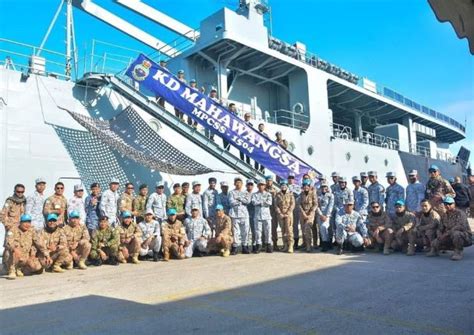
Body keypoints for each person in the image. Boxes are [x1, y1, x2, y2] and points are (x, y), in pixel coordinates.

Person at [4, 214, 51, 280]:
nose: (27, 224)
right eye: (25, 222)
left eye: (29, 222)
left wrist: (47, 255)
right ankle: (12, 270)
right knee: (11, 250)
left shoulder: (32, 230)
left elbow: (40, 244)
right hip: (13, 256)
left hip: (25, 257)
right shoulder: (12, 230)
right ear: (20, 222)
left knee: (36, 266)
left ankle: (21, 269)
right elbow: (8, 243)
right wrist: (14, 249)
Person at [428, 196, 472, 260]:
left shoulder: (460, 213)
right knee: (435, 242)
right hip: (448, 235)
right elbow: (440, 228)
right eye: (446, 204)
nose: (447, 206)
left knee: (456, 234)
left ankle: (458, 251)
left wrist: (445, 235)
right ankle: (435, 251)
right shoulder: (444, 215)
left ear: (454, 204)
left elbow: (459, 227)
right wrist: (439, 235)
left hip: (464, 236)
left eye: (450, 204)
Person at [229, 177, 251, 255]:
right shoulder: (231, 192)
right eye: (236, 182)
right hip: (235, 215)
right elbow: (231, 202)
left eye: (240, 183)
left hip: (244, 214)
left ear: (242, 184)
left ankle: (244, 246)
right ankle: (235, 247)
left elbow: (247, 201)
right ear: (234, 184)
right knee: (235, 232)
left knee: (245, 231)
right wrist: (240, 201)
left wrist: (239, 199)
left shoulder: (246, 193)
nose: (238, 184)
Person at [251, 179, 273, 253]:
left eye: (262, 185)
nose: (261, 186)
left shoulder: (268, 194)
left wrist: (260, 203)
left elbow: (269, 202)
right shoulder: (254, 194)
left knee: (268, 231)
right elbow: (254, 202)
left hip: (267, 216)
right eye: (260, 185)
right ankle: (258, 245)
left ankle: (268, 245)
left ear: (265, 186)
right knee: (258, 232)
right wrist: (263, 202)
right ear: (257, 186)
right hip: (257, 216)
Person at [274, 180, 295, 253]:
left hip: (288, 214)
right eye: (282, 185)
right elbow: (276, 205)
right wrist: (280, 213)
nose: (283, 186)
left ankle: (290, 245)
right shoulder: (278, 194)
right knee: (283, 230)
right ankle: (285, 245)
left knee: (289, 230)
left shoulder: (290, 194)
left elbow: (292, 204)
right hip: (281, 214)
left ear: (287, 186)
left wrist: (288, 213)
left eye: (285, 185)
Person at [298, 179, 318, 252]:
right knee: (303, 229)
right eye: (304, 186)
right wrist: (303, 213)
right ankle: (306, 244)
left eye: (307, 186)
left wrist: (311, 212)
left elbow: (315, 204)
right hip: (303, 213)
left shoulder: (313, 194)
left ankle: (309, 245)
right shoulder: (301, 194)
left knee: (308, 228)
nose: (306, 187)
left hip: (310, 213)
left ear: (309, 187)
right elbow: (299, 204)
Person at [317, 182, 334, 252]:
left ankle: (328, 243)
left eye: (325, 187)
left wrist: (326, 216)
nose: (324, 188)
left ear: (327, 188)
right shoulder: (318, 196)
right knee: (321, 230)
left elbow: (331, 206)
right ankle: (325, 244)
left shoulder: (331, 195)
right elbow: (316, 206)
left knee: (324, 227)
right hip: (320, 215)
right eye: (322, 187)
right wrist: (321, 214)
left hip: (327, 216)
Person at [265, 175, 279, 250]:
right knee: (265, 229)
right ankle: (265, 244)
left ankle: (275, 244)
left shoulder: (276, 190)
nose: (269, 182)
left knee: (274, 228)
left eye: (270, 180)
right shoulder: (263, 189)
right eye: (267, 180)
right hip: (265, 211)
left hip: (273, 211)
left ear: (272, 181)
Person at [288, 174, 301, 249]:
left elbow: (298, 193)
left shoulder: (297, 186)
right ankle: (289, 242)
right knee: (288, 225)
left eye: (292, 178)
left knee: (295, 225)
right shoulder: (284, 186)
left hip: (295, 207)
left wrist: (291, 191)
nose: (290, 179)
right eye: (289, 178)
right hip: (287, 208)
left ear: (294, 179)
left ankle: (296, 241)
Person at [246, 180, 256, 247]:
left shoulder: (255, 194)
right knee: (246, 231)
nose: (250, 186)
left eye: (251, 184)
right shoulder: (243, 193)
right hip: (245, 215)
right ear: (246, 185)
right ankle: (245, 245)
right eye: (248, 184)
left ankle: (254, 245)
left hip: (253, 215)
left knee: (254, 231)